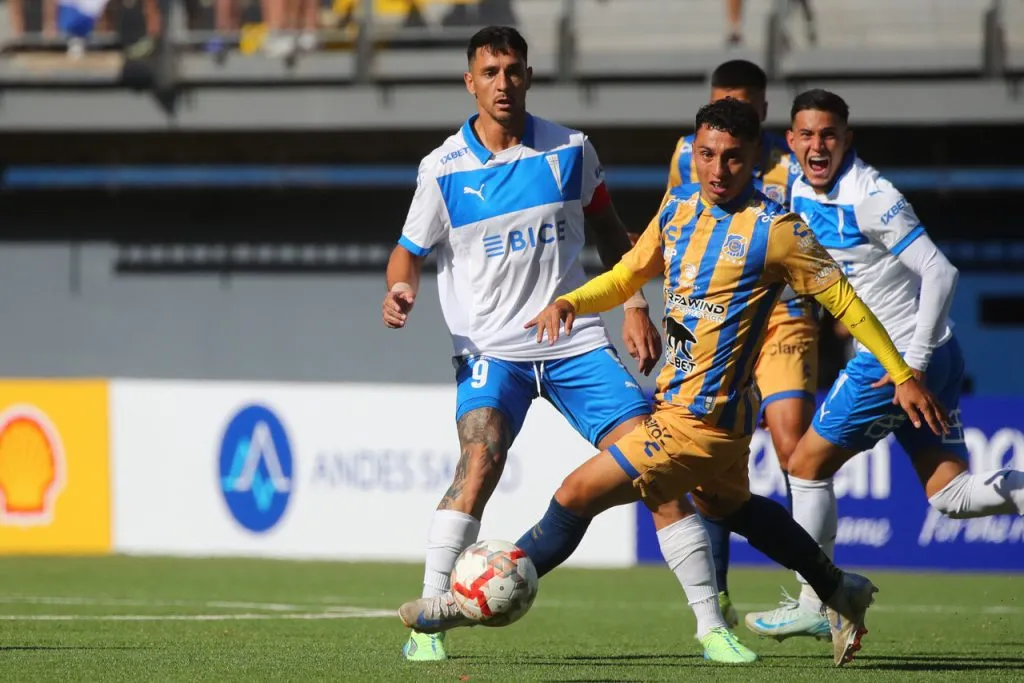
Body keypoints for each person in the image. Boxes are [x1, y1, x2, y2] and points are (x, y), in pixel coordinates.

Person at [399, 97, 951, 667]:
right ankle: (839, 589)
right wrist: (571, 301)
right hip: (699, 411)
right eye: (707, 154)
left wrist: (902, 372)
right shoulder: (680, 206)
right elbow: (627, 274)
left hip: (700, 422)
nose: (717, 170)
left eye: (733, 159)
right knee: (732, 508)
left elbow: (849, 304)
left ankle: (458, 607)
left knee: (573, 496)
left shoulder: (778, 230)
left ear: (753, 159)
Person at [385, 26, 755, 664]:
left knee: (654, 468)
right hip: (491, 349)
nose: (503, 82)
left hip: (574, 340)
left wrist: (637, 306)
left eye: (514, 70)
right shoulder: (442, 170)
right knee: (480, 461)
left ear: (529, 76)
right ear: (470, 82)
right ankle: (430, 622)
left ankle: (710, 627)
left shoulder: (571, 150)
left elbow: (617, 235)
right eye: (491, 71)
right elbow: (407, 251)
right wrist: (400, 287)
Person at [744, 89, 1024, 641]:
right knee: (951, 496)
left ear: (847, 140)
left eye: (830, 134)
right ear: (792, 141)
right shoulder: (793, 183)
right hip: (932, 351)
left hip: (898, 358)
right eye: (807, 134)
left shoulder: (871, 195)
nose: (818, 145)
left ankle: (814, 599)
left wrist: (909, 367)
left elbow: (941, 273)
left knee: (804, 465)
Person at [665, 58, 816, 627]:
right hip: (709, 321)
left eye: (746, 104)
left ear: (764, 111)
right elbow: (673, 224)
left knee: (793, 452)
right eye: (724, 99)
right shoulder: (687, 152)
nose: (735, 111)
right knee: (707, 462)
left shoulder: (790, 161)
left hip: (782, 316)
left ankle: (814, 595)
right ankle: (719, 596)